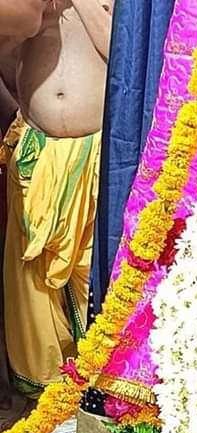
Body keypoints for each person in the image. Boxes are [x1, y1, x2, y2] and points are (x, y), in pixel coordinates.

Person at [2, 0, 112, 396]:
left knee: (93, 278)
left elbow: (126, 58)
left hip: (97, 154)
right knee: (32, 283)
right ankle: (42, 405)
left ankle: (100, 399)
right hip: (36, 150)